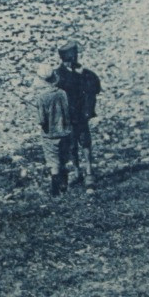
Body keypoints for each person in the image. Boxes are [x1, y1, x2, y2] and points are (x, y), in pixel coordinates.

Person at [52, 41, 103, 190]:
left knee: (85, 143)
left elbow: (95, 88)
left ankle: (89, 172)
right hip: (67, 116)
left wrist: (83, 75)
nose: (75, 57)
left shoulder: (83, 73)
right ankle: (77, 171)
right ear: (67, 57)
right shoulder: (59, 74)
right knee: (72, 145)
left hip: (81, 115)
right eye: (73, 55)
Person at [33, 62, 72, 196]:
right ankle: (64, 185)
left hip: (50, 135)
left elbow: (42, 120)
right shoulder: (62, 93)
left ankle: (55, 191)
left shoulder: (41, 97)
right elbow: (67, 111)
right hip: (65, 132)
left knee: (53, 162)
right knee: (63, 160)